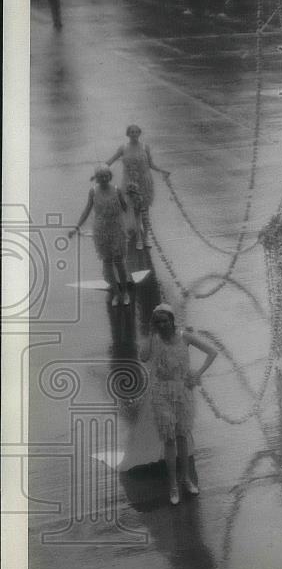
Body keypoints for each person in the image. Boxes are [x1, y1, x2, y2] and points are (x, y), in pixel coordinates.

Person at [140, 304, 217, 505]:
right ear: (155, 324)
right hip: (161, 393)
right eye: (158, 322)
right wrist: (150, 333)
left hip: (183, 391)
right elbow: (143, 356)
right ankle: (173, 484)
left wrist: (197, 374)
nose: (163, 325)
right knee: (169, 439)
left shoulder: (185, 337)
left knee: (183, 436)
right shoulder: (155, 340)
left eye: (166, 321)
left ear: (172, 320)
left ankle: (186, 478)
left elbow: (211, 352)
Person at [68, 165, 131, 306]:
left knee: (119, 262)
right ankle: (116, 293)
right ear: (96, 178)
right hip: (101, 230)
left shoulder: (117, 190)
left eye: (105, 175)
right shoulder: (93, 192)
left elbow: (126, 208)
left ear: (110, 176)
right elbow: (87, 210)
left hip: (117, 228)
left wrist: (134, 199)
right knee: (107, 262)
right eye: (100, 176)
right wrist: (76, 227)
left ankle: (125, 292)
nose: (103, 178)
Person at [107, 124, 169, 238]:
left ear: (139, 133)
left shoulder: (145, 147)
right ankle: (136, 231)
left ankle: (145, 235)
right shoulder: (123, 148)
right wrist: (101, 170)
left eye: (136, 132)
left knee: (145, 208)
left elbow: (150, 164)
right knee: (132, 206)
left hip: (144, 181)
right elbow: (111, 160)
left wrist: (161, 170)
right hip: (130, 182)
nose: (134, 134)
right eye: (132, 132)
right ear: (128, 134)